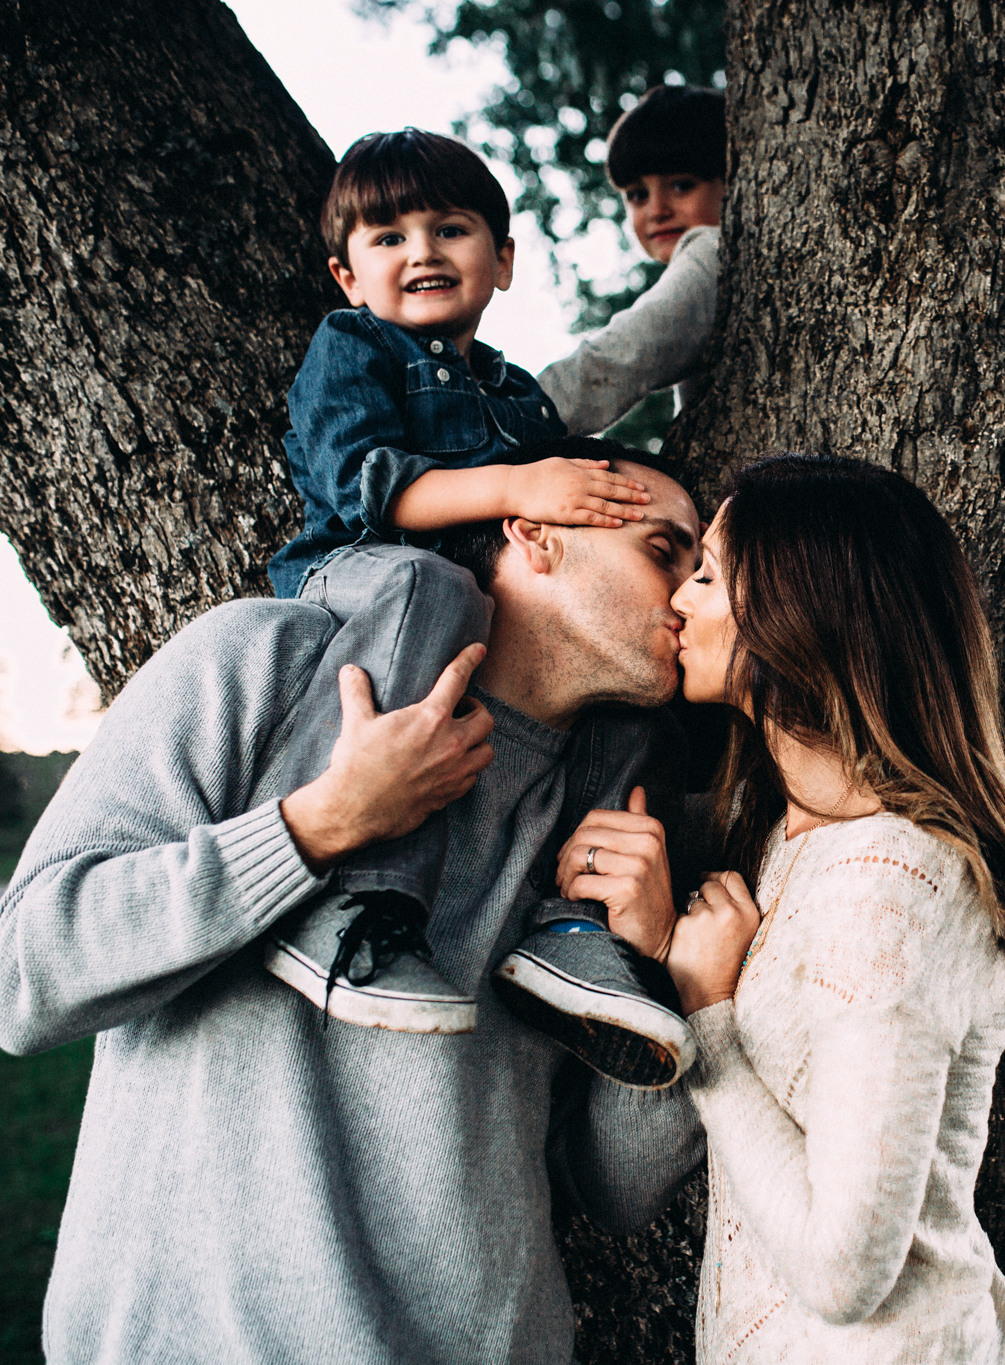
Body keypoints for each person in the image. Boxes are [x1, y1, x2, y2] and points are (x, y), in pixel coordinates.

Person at [0, 449, 709, 1363]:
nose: (690, 596)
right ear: (536, 536)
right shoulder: (266, 661)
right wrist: (315, 827)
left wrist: (664, 974)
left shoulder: (616, 819)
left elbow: (612, 1191)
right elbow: (22, 976)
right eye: (664, 550)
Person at [262, 128, 716, 1087]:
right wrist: (523, 485)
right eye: (388, 237)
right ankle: (360, 901)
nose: (421, 250)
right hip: (357, 574)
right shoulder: (354, 348)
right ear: (347, 276)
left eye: (451, 228)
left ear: (502, 261)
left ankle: (569, 928)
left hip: (463, 605)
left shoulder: (511, 395)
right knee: (430, 581)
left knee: (620, 692)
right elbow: (374, 490)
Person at [646, 454, 1005, 1363]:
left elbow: (845, 1272)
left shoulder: (896, 884)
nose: (679, 598)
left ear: (798, 611)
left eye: (711, 574)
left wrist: (707, 1024)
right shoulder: (792, 832)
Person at [538, 84, 727, 431]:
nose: (657, 210)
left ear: (731, 183)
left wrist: (519, 414)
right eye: (638, 195)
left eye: (682, 185)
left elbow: (628, 353)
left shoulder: (710, 249)